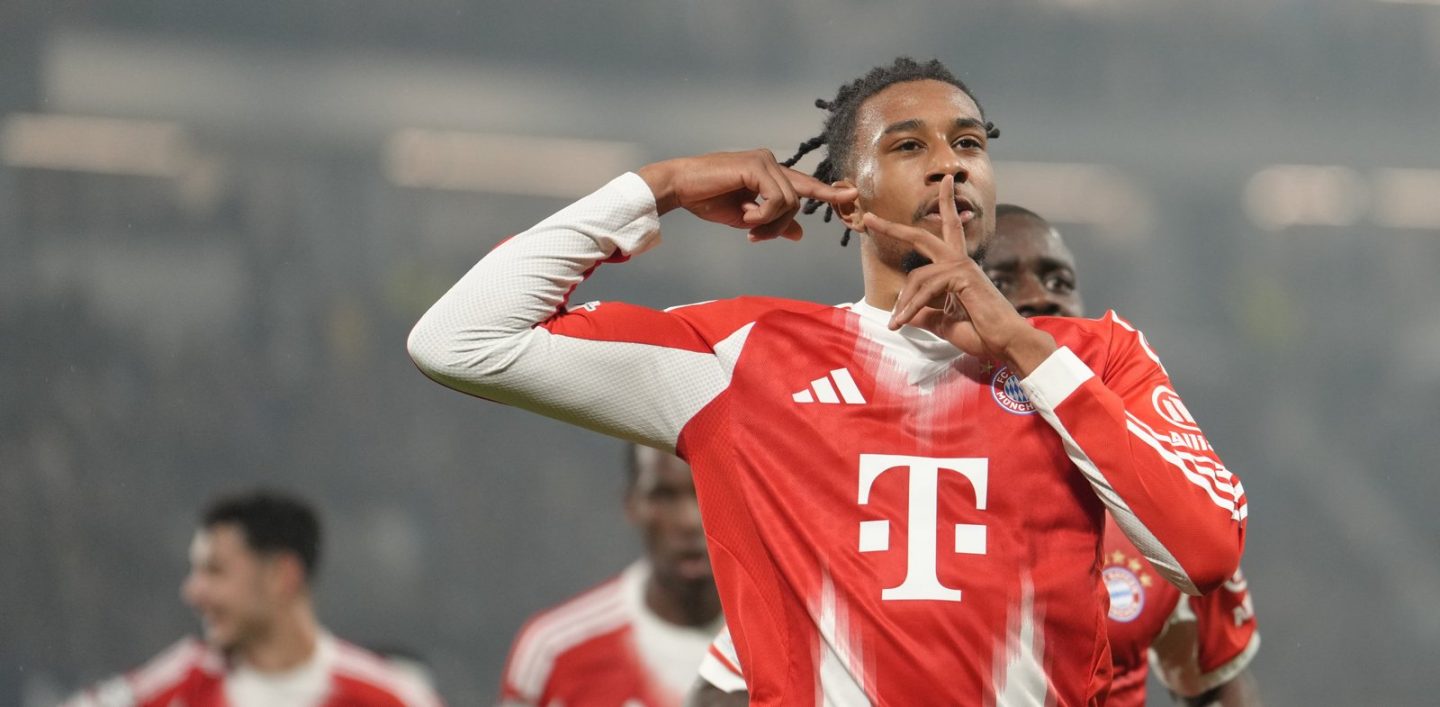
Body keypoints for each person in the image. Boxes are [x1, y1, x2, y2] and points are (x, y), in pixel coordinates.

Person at [408, 56, 1248, 705]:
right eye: (909, 145)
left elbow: (1206, 551)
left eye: (968, 143)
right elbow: (458, 340)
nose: (950, 166)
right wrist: (661, 186)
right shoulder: (744, 356)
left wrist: (1020, 345)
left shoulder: (1095, 354)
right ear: (848, 196)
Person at [686, 205, 1263, 706]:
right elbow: (727, 684)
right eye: (1002, 280)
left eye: (1058, 278)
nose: (1039, 295)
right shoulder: (891, 502)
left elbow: (1214, 684)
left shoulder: (1163, 497)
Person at [61, 490, 444, 707]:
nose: (193, 592)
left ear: (282, 576)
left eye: (215, 571)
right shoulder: (180, 685)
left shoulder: (387, 696)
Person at [497, 445, 724, 706]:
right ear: (632, 505)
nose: (689, 520)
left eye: (710, 490)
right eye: (663, 495)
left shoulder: (767, 640)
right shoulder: (555, 651)